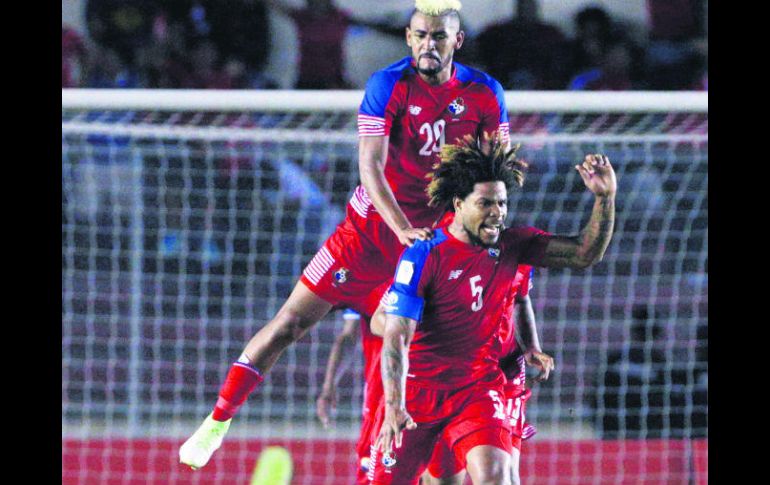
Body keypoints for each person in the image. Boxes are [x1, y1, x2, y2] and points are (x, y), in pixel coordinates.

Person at [179, 0, 512, 469]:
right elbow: (370, 165)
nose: (427, 45)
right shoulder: (388, 84)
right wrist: (400, 227)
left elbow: (493, 172)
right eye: (419, 35)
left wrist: (475, 235)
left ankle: (419, 453)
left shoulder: (484, 93)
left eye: (439, 37)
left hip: (433, 243)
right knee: (290, 323)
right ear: (408, 38)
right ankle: (217, 421)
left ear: (457, 41)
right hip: (370, 234)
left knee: (430, 351)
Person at [371, 135, 616, 484]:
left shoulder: (513, 245)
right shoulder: (426, 253)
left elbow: (583, 253)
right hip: (418, 395)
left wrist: (605, 199)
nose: (497, 213)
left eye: (501, 203)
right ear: (458, 203)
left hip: (477, 389)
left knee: (498, 477)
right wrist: (394, 404)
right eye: (486, 203)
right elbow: (396, 338)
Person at [595, 305, 667, 439]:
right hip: (638, 435)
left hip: (619, 434)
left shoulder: (615, 360)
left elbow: (597, 398)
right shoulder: (660, 363)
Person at [476, 0, 568, 90]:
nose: (526, 10)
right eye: (523, 6)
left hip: (544, 92)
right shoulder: (497, 34)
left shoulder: (551, 35)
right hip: (503, 89)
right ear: (517, 8)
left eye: (529, 6)